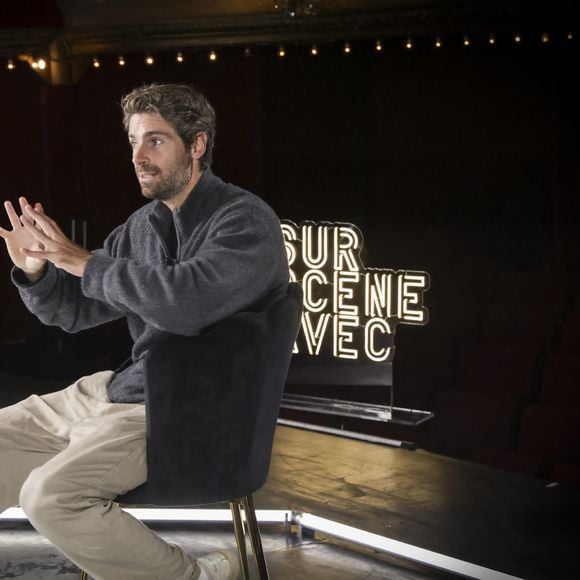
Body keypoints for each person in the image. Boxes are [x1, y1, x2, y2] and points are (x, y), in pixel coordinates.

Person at [0, 83, 289, 579]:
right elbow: (75, 309)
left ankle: (194, 576)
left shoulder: (245, 222)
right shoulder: (143, 225)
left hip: (182, 412)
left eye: (155, 141)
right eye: (134, 142)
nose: (139, 156)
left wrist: (84, 260)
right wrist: (37, 271)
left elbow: (187, 303)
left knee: (49, 497)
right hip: (115, 392)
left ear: (196, 145)